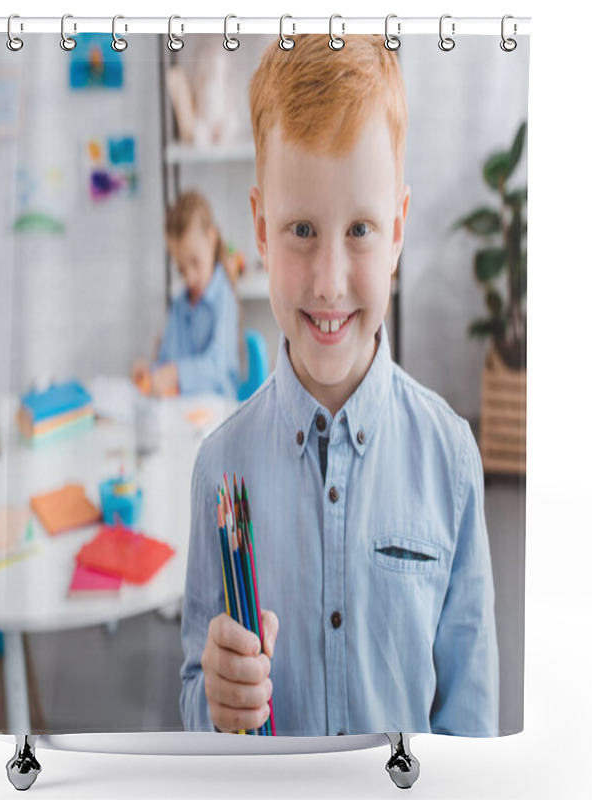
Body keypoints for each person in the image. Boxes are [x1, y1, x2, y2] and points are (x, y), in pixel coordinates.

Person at [180, 35, 499, 737]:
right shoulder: (218, 471)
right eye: (301, 230)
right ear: (260, 230)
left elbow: (470, 718)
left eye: (359, 228)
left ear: (398, 229)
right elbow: (194, 694)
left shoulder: (450, 460)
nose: (328, 282)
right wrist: (213, 702)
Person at [132, 191, 240, 399]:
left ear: (211, 238)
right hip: (181, 413)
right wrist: (149, 372)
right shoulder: (180, 305)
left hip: (218, 412)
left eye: (195, 263)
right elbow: (167, 360)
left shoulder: (224, 299)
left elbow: (218, 366)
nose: (189, 277)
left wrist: (175, 373)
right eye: (181, 269)